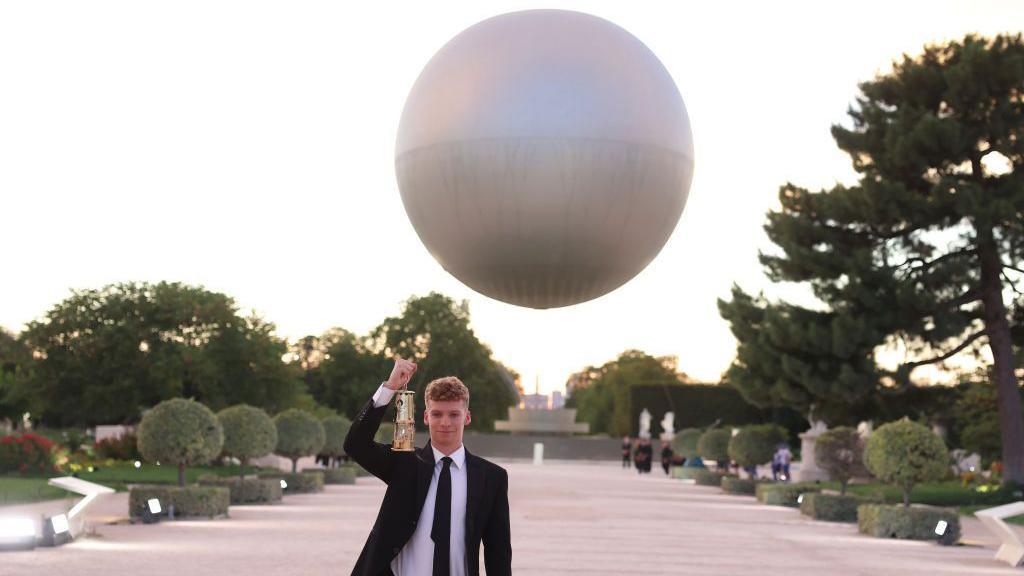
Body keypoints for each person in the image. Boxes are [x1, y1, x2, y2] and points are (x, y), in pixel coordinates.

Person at [344, 357, 512, 576]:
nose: (445, 423)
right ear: (425, 416)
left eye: (454, 414)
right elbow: (355, 445)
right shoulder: (403, 464)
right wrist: (389, 388)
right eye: (437, 414)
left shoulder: (492, 478)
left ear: (467, 417)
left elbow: (498, 553)